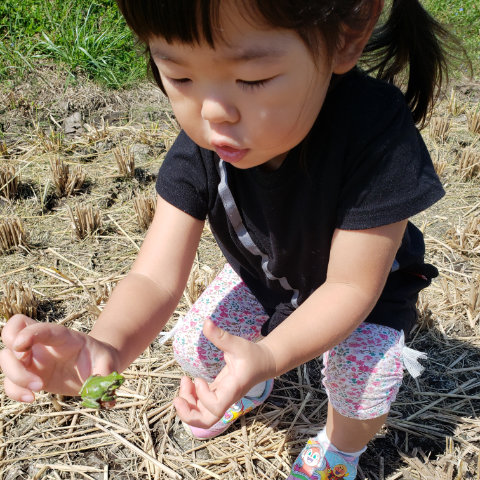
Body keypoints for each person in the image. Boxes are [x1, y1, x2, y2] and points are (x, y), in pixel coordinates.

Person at [0, 1, 455, 478]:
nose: (213, 112)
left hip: (363, 297)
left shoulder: (375, 131)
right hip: (269, 280)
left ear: (348, 35)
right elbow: (154, 277)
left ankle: (341, 449)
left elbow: (350, 289)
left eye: (253, 80)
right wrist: (106, 346)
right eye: (180, 78)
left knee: (362, 381)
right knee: (195, 345)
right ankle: (250, 382)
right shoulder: (204, 145)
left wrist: (269, 355)